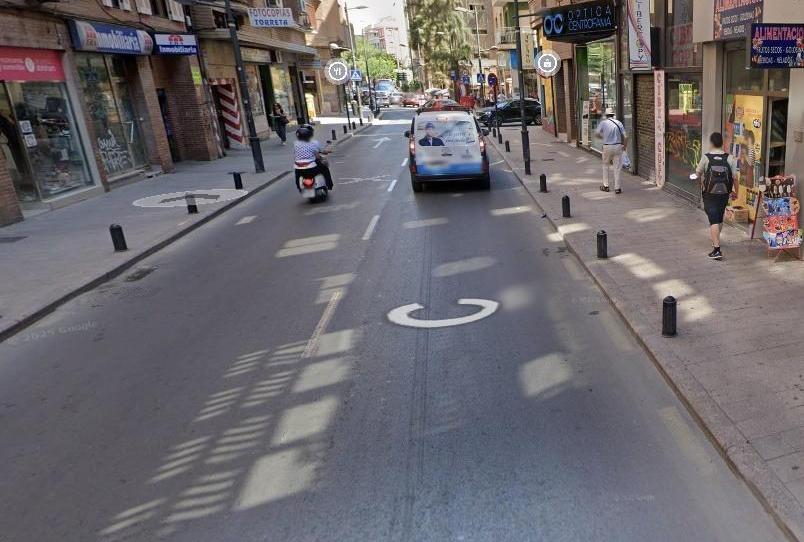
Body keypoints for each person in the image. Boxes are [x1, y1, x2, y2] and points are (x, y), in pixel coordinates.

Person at [695, 132, 737, 260]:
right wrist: (736, 192)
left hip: (709, 193)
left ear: (712, 143)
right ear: (722, 143)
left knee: (713, 219)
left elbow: (698, 173)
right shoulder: (730, 158)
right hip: (724, 193)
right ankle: (716, 240)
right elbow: (735, 178)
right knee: (719, 217)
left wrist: (701, 184)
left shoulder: (706, 157)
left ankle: (717, 249)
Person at [594, 107, 627, 194]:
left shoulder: (603, 123)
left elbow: (596, 134)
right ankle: (617, 188)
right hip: (617, 146)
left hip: (607, 147)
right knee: (617, 168)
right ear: (613, 115)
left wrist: (603, 138)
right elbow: (625, 137)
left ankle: (606, 186)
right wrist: (624, 147)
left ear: (606, 115)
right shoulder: (619, 123)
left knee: (605, 166)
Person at [293, 124, 333, 191]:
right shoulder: (313, 143)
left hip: (299, 169)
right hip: (311, 168)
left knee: (297, 174)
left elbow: (295, 154)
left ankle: (299, 187)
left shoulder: (295, 144)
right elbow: (317, 155)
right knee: (325, 168)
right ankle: (329, 185)